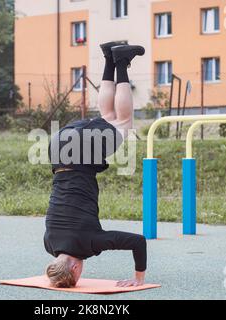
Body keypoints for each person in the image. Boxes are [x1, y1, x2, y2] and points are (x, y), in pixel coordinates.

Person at [43, 42, 147, 288]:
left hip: (81, 154)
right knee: (108, 118)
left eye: (78, 276)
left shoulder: (89, 243)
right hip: (58, 148)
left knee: (124, 122)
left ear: (76, 269)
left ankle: (121, 62)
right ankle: (110, 57)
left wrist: (138, 278)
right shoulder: (50, 243)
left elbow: (138, 241)